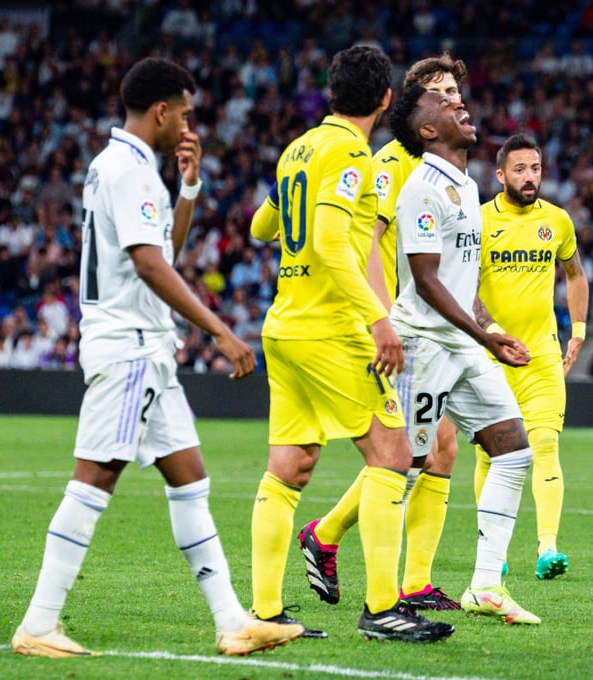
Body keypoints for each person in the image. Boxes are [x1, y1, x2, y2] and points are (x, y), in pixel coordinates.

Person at [11, 57, 302, 659]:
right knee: (94, 478)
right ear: (162, 111)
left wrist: (188, 187)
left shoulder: (116, 164)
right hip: (130, 348)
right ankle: (38, 623)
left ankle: (233, 622)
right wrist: (219, 330)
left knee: (190, 479)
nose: (189, 127)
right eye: (186, 115)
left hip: (145, 349)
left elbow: (161, 251)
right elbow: (149, 265)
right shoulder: (131, 171)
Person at [247, 45, 454, 643]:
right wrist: (378, 320)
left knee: (290, 466)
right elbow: (333, 243)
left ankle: (265, 614)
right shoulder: (350, 153)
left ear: (331, 92)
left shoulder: (299, 148)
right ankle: (383, 610)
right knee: (393, 454)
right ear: (387, 98)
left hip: (286, 326)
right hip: (330, 329)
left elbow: (261, 227)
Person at [297, 53, 470, 614]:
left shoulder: (444, 166)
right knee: (411, 451)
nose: (452, 100)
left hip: (437, 328)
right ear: (413, 102)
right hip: (401, 328)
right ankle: (332, 538)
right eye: (440, 92)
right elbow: (367, 241)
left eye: (455, 92)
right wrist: (381, 318)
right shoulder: (390, 163)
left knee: (440, 449)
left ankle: (411, 579)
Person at [392, 82, 540, 623]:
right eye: (443, 103)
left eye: (457, 98)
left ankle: (485, 586)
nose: (459, 104)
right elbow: (428, 281)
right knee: (402, 470)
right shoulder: (422, 188)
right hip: (423, 343)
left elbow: (462, 281)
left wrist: (490, 328)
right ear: (428, 129)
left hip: (462, 344)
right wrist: (485, 338)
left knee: (514, 450)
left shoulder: (467, 184)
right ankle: (362, 574)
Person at [475, 134, 589, 580]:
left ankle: (548, 548)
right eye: (520, 169)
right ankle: (494, 551)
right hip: (490, 356)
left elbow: (575, 274)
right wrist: (492, 334)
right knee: (490, 455)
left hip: (541, 354)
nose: (530, 177)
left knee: (544, 444)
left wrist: (578, 331)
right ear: (500, 174)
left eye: (536, 168)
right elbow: (463, 288)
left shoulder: (557, 221)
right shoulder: (479, 221)